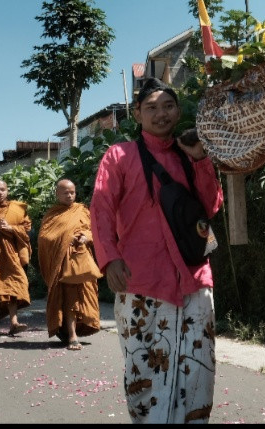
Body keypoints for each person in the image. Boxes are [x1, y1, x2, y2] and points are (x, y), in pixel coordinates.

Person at [91, 78, 223, 423]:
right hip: (140, 280)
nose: (160, 114)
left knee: (198, 372)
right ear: (137, 114)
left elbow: (210, 206)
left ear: (178, 111)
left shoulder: (190, 152)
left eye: (168, 106)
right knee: (143, 376)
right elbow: (102, 206)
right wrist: (110, 258)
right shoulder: (120, 155)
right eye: (151, 107)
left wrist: (200, 160)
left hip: (194, 279)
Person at [39, 178, 101, 351]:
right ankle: (72, 335)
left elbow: (95, 230)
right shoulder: (52, 215)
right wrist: (66, 239)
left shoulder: (82, 210)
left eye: (72, 192)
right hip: (63, 263)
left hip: (83, 261)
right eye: (65, 192)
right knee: (68, 298)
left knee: (85, 296)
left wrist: (87, 237)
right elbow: (45, 238)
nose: (69, 195)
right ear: (57, 194)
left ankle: (76, 329)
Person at [0, 178, 32, 337]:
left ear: (7, 191)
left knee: (14, 286)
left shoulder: (16, 209)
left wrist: (10, 228)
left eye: (3, 189)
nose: (0, 192)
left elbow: (26, 229)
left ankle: (14, 322)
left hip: (10, 255)